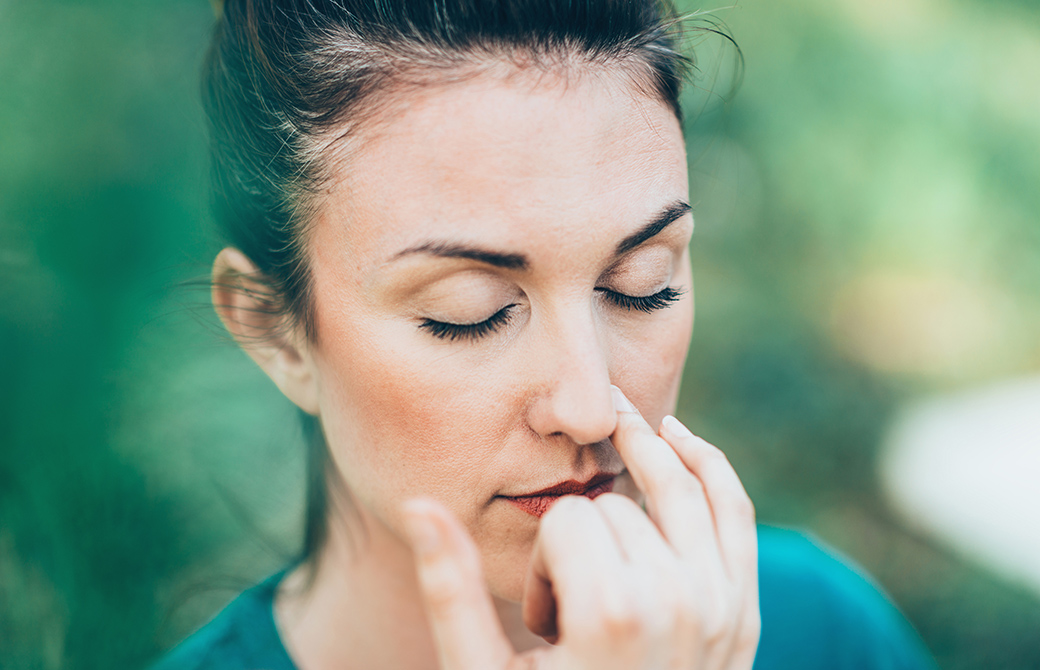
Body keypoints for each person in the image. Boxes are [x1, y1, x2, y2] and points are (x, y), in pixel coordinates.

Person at [155, 1, 937, 668]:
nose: (590, 408)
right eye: (471, 311)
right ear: (277, 331)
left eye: (643, 286)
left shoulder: (825, 632)